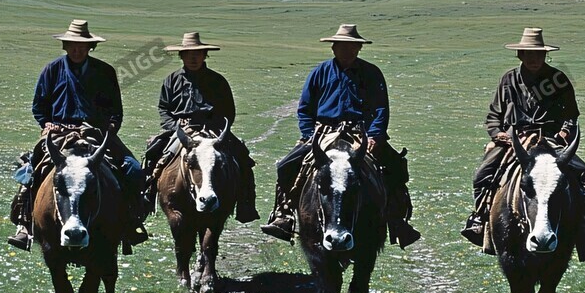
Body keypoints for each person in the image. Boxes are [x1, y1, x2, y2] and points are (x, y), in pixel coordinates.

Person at [261, 23, 420, 248]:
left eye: (351, 46)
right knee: (287, 165)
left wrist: (375, 135)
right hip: (323, 131)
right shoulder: (319, 72)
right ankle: (284, 215)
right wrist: (308, 135)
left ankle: (397, 220)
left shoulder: (371, 72)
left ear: (359, 49)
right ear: (333, 47)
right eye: (342, 46)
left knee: (395, 167)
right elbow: (305, 108)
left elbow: (381, 108)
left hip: (360, 132)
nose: (346, 50)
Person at [461, 27, 585, 261]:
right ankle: (479, 219)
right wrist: (498, 134)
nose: (533, 59)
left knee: (583, 174)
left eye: (538, 55)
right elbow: (493, 116)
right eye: (528, 54)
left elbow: (571, 115)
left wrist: (564, 133)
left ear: (545, 56)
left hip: (550, 140)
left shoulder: (558, 80)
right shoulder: (508, 80)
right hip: (514, 141)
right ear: (520, 55)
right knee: (482, 175)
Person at [7, 19, 149, 252]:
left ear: (90, 47)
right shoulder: (52, 70)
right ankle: (25, 225)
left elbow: (116, 111)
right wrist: (47, 124)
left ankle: (130, 223)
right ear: (65, 46)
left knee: (132, 169)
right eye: (72, 45)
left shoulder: (105, 71)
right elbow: (39, 106)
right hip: (60, 134)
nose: (77, 49)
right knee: (31, 171)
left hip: (96, 133)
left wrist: (108, 129)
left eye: (82, 45)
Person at [149, 32, 258, 222]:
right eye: (188, 53)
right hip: (181, 131)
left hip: (212, 131)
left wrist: (215, 130)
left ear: (205, 55)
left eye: (198, 53)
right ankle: (145, 201)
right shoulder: (171, 80)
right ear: (181, 55)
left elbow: (228, 112)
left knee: (242, 157)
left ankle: (246, 205)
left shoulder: (218, 81)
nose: (193, 57)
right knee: (153, 154)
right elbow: (164, 108)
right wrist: (176, 128)